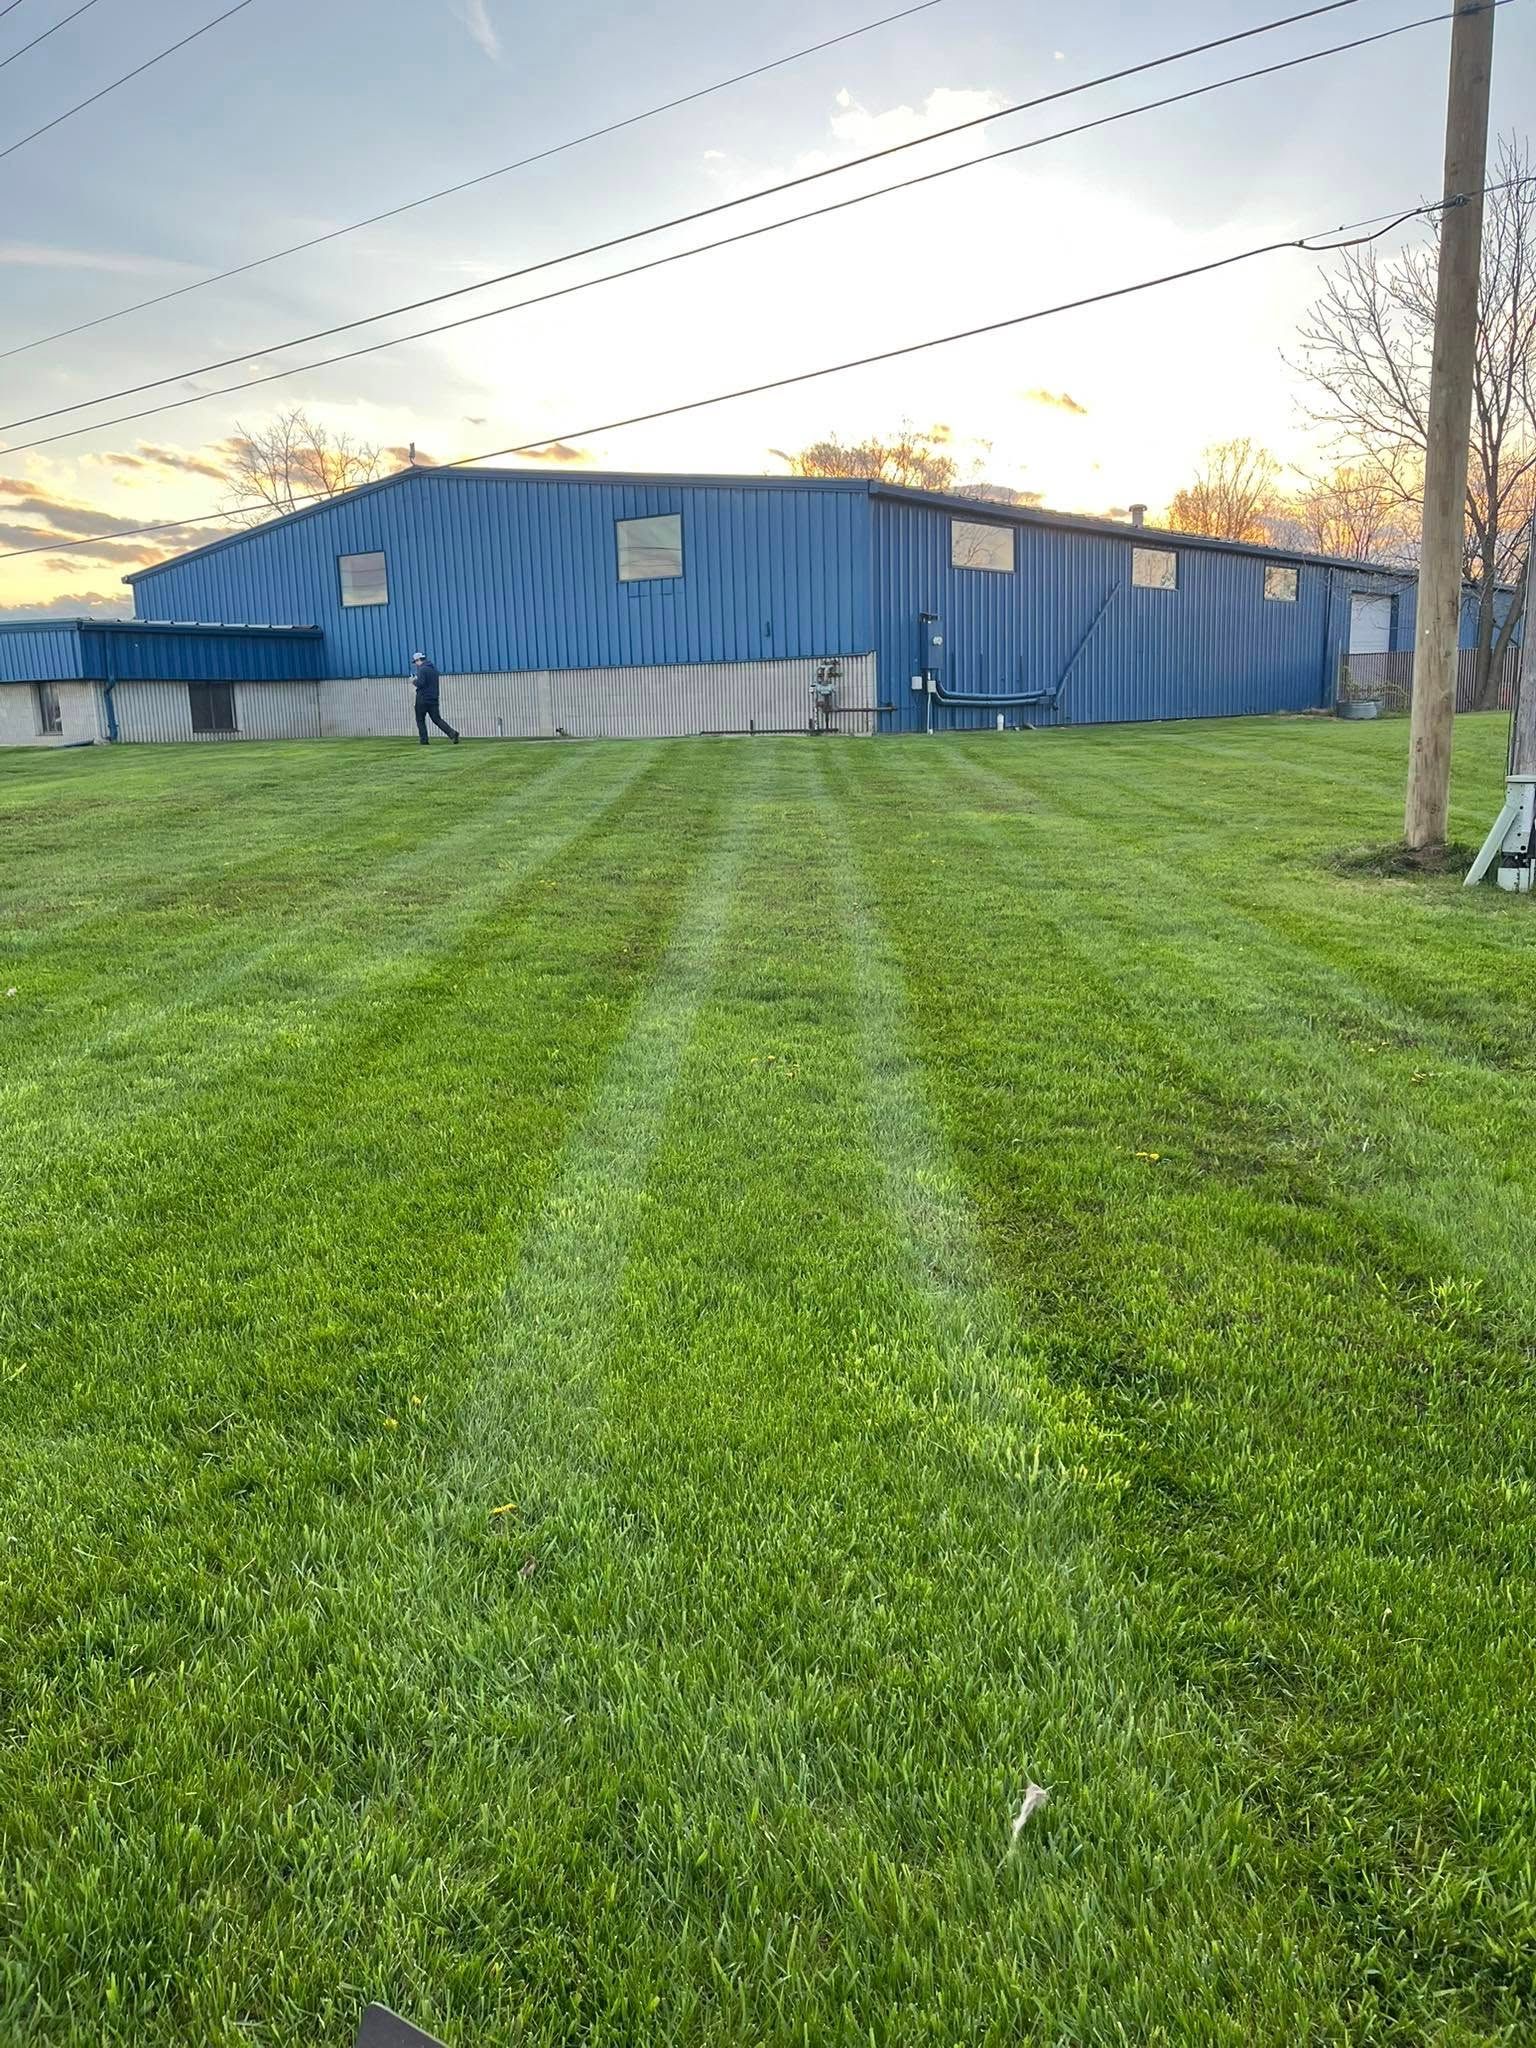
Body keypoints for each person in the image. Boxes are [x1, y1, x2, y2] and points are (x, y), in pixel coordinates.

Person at [410, 651, 459, 745]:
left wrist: (413, 681)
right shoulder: (434, 669)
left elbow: (421, 683)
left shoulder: (422, 669)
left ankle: (424, 740)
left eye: (416, 662)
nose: (416, 664)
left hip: (422, 698)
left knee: (420, 719)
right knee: (437, 719)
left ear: (419, 660)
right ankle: (452, 733)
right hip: (433, 698)